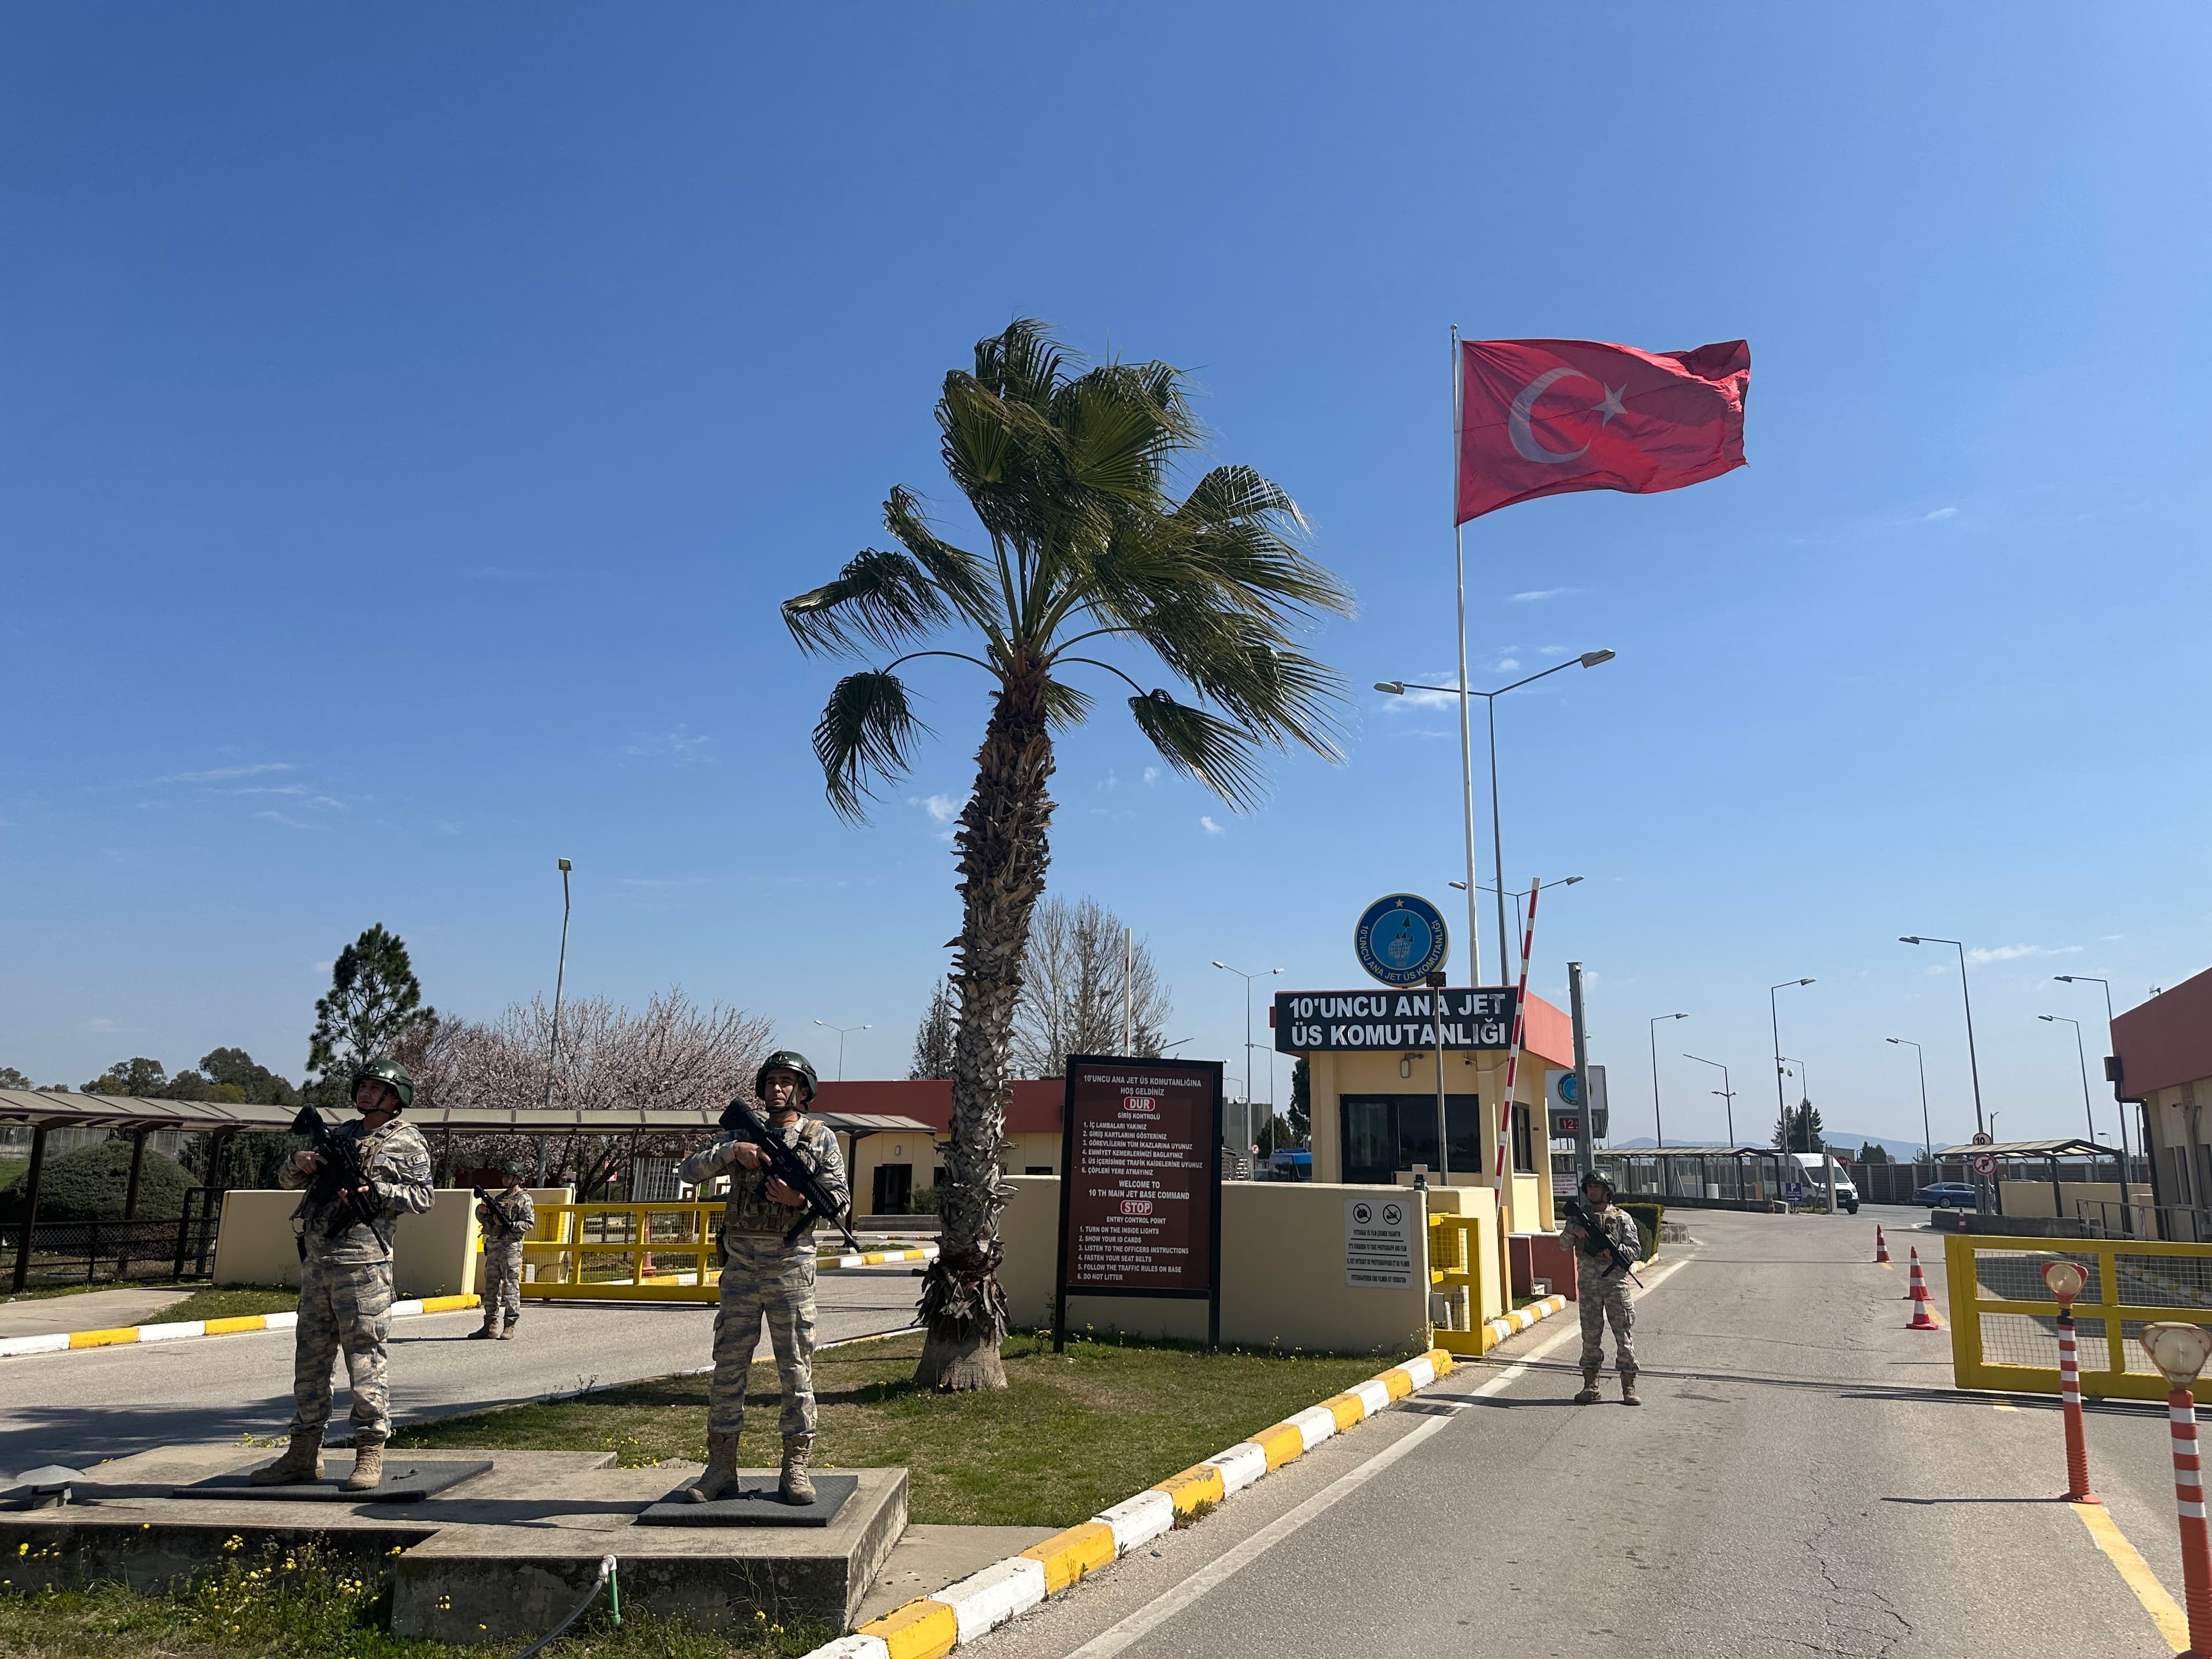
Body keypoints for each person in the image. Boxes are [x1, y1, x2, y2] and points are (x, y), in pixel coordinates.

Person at [251, 1058, 436, 1491]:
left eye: (377, 1088)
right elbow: (285, 1181)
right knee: (311, 1362)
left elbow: (424, 1197)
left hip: (364, 1267)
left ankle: (370, 1452)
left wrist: (380, 1191)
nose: (366, 1094)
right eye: (364, 1086)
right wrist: (301, 1162)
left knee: (365, 1360)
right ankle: (303, 1455)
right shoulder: (341, 1136)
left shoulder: (407, 1141)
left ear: (396, 1099)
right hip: (319, 1265)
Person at [677, 1050, 848, 1505]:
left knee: (795, 1370)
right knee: (728, 1369)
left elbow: (840, 1203)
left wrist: (797, 1200)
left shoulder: (820, 1138)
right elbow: (687, 1172)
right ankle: (720, 1468)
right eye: (771, 1080)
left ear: (804, 1090)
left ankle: (796, 1467)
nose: (778, 1088)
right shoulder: (738, 1136)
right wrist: (734, 1151)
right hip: (740, 1269)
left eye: (788, 1081)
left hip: (791, 1268)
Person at [1562, 1168, 1642, 1406]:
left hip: (1615, 1286)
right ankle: (1590, 1386)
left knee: (1624, 1336)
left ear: (1607, 1191)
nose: (1592, 1191)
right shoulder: (1577, 1219)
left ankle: (1629, 1387)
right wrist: (1573, 1230)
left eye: (1597, 1187)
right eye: (1589, 1187)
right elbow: (1564, 1245)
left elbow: (1635, 1250)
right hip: (1588, 1287)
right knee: (1590, 1336)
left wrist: (1615, 1250)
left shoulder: (1621, 1218)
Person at [472, 1164, 536, 1340]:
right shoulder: (499, 1198)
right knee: (491, 1287)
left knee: (510, 1286)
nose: (505, 1180)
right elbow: (486, 1222)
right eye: (504, 1177)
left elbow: (528, 1224)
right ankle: (490, 1325)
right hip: (494, 1247)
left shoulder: (524, 1199)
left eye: (509, 1177)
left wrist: (510, 1225)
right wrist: (482, 1212)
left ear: (517, 1178)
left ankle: (510, 1325)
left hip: (511, 1248)